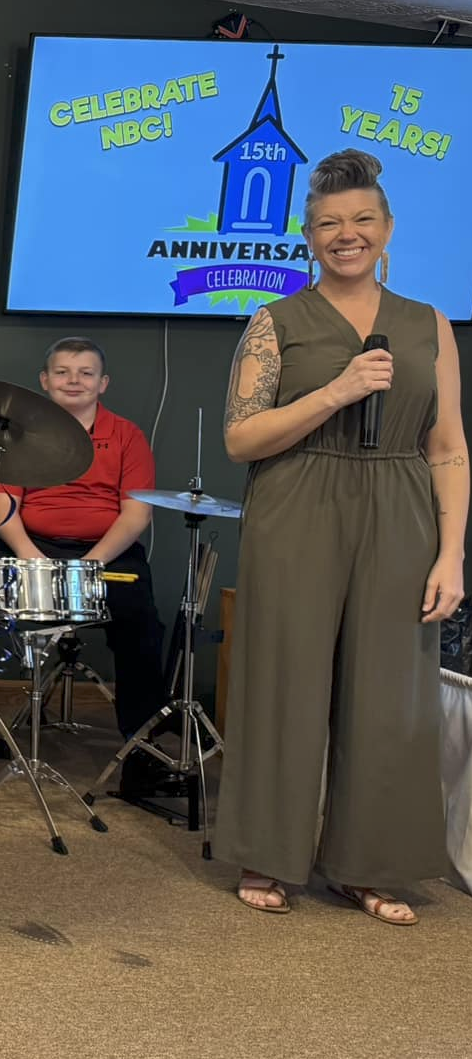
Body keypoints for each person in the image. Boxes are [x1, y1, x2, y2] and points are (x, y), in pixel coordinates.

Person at [216, 149, 467, 924]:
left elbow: (448, 445)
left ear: (387, 230)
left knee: (390, 692)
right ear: (306, 237)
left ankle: (371, 863)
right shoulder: (275, 323)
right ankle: (271, 853)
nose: (346, 234)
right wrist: (336, 390)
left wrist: (452, 553)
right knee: (283, 685)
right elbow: (241, 438)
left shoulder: (428, 324)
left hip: (400, 509)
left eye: (361, 220)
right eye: (328, 223)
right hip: (298, 503)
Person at [0, 338, 173, 795]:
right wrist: (33, 558)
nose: (74, 380)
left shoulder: (128, 435)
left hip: (106, 554)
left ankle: (141, 752)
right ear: (45, 381)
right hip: (34, 548)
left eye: (86, 372)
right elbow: (3, 503)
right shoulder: (20, 432)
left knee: (144, 631)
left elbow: (136, 513)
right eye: (64, 371)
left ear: (103, 383)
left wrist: (89, 566)